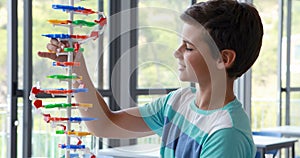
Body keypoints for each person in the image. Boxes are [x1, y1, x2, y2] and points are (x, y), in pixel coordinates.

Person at [39, 0, 263, 157]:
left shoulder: (226, 133)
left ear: (223, 59)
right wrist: (76, 64)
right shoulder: (179, 102)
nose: (177, 53)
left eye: (188, 47)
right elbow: (106, 124)